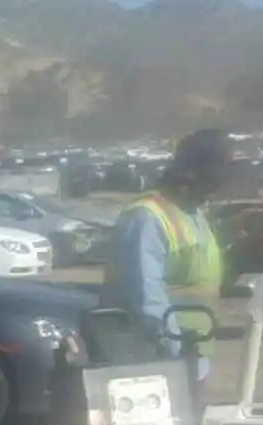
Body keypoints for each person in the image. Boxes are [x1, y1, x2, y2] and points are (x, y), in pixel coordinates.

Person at [100, 128, 234, 405]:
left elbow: (199, 276)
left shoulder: (193, 213)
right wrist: (176, 353)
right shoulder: (146, 217)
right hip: (154, 358)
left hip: (193, 352)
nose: (220, 184)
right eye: (218, 172)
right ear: (194, 171)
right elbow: (146, 295)